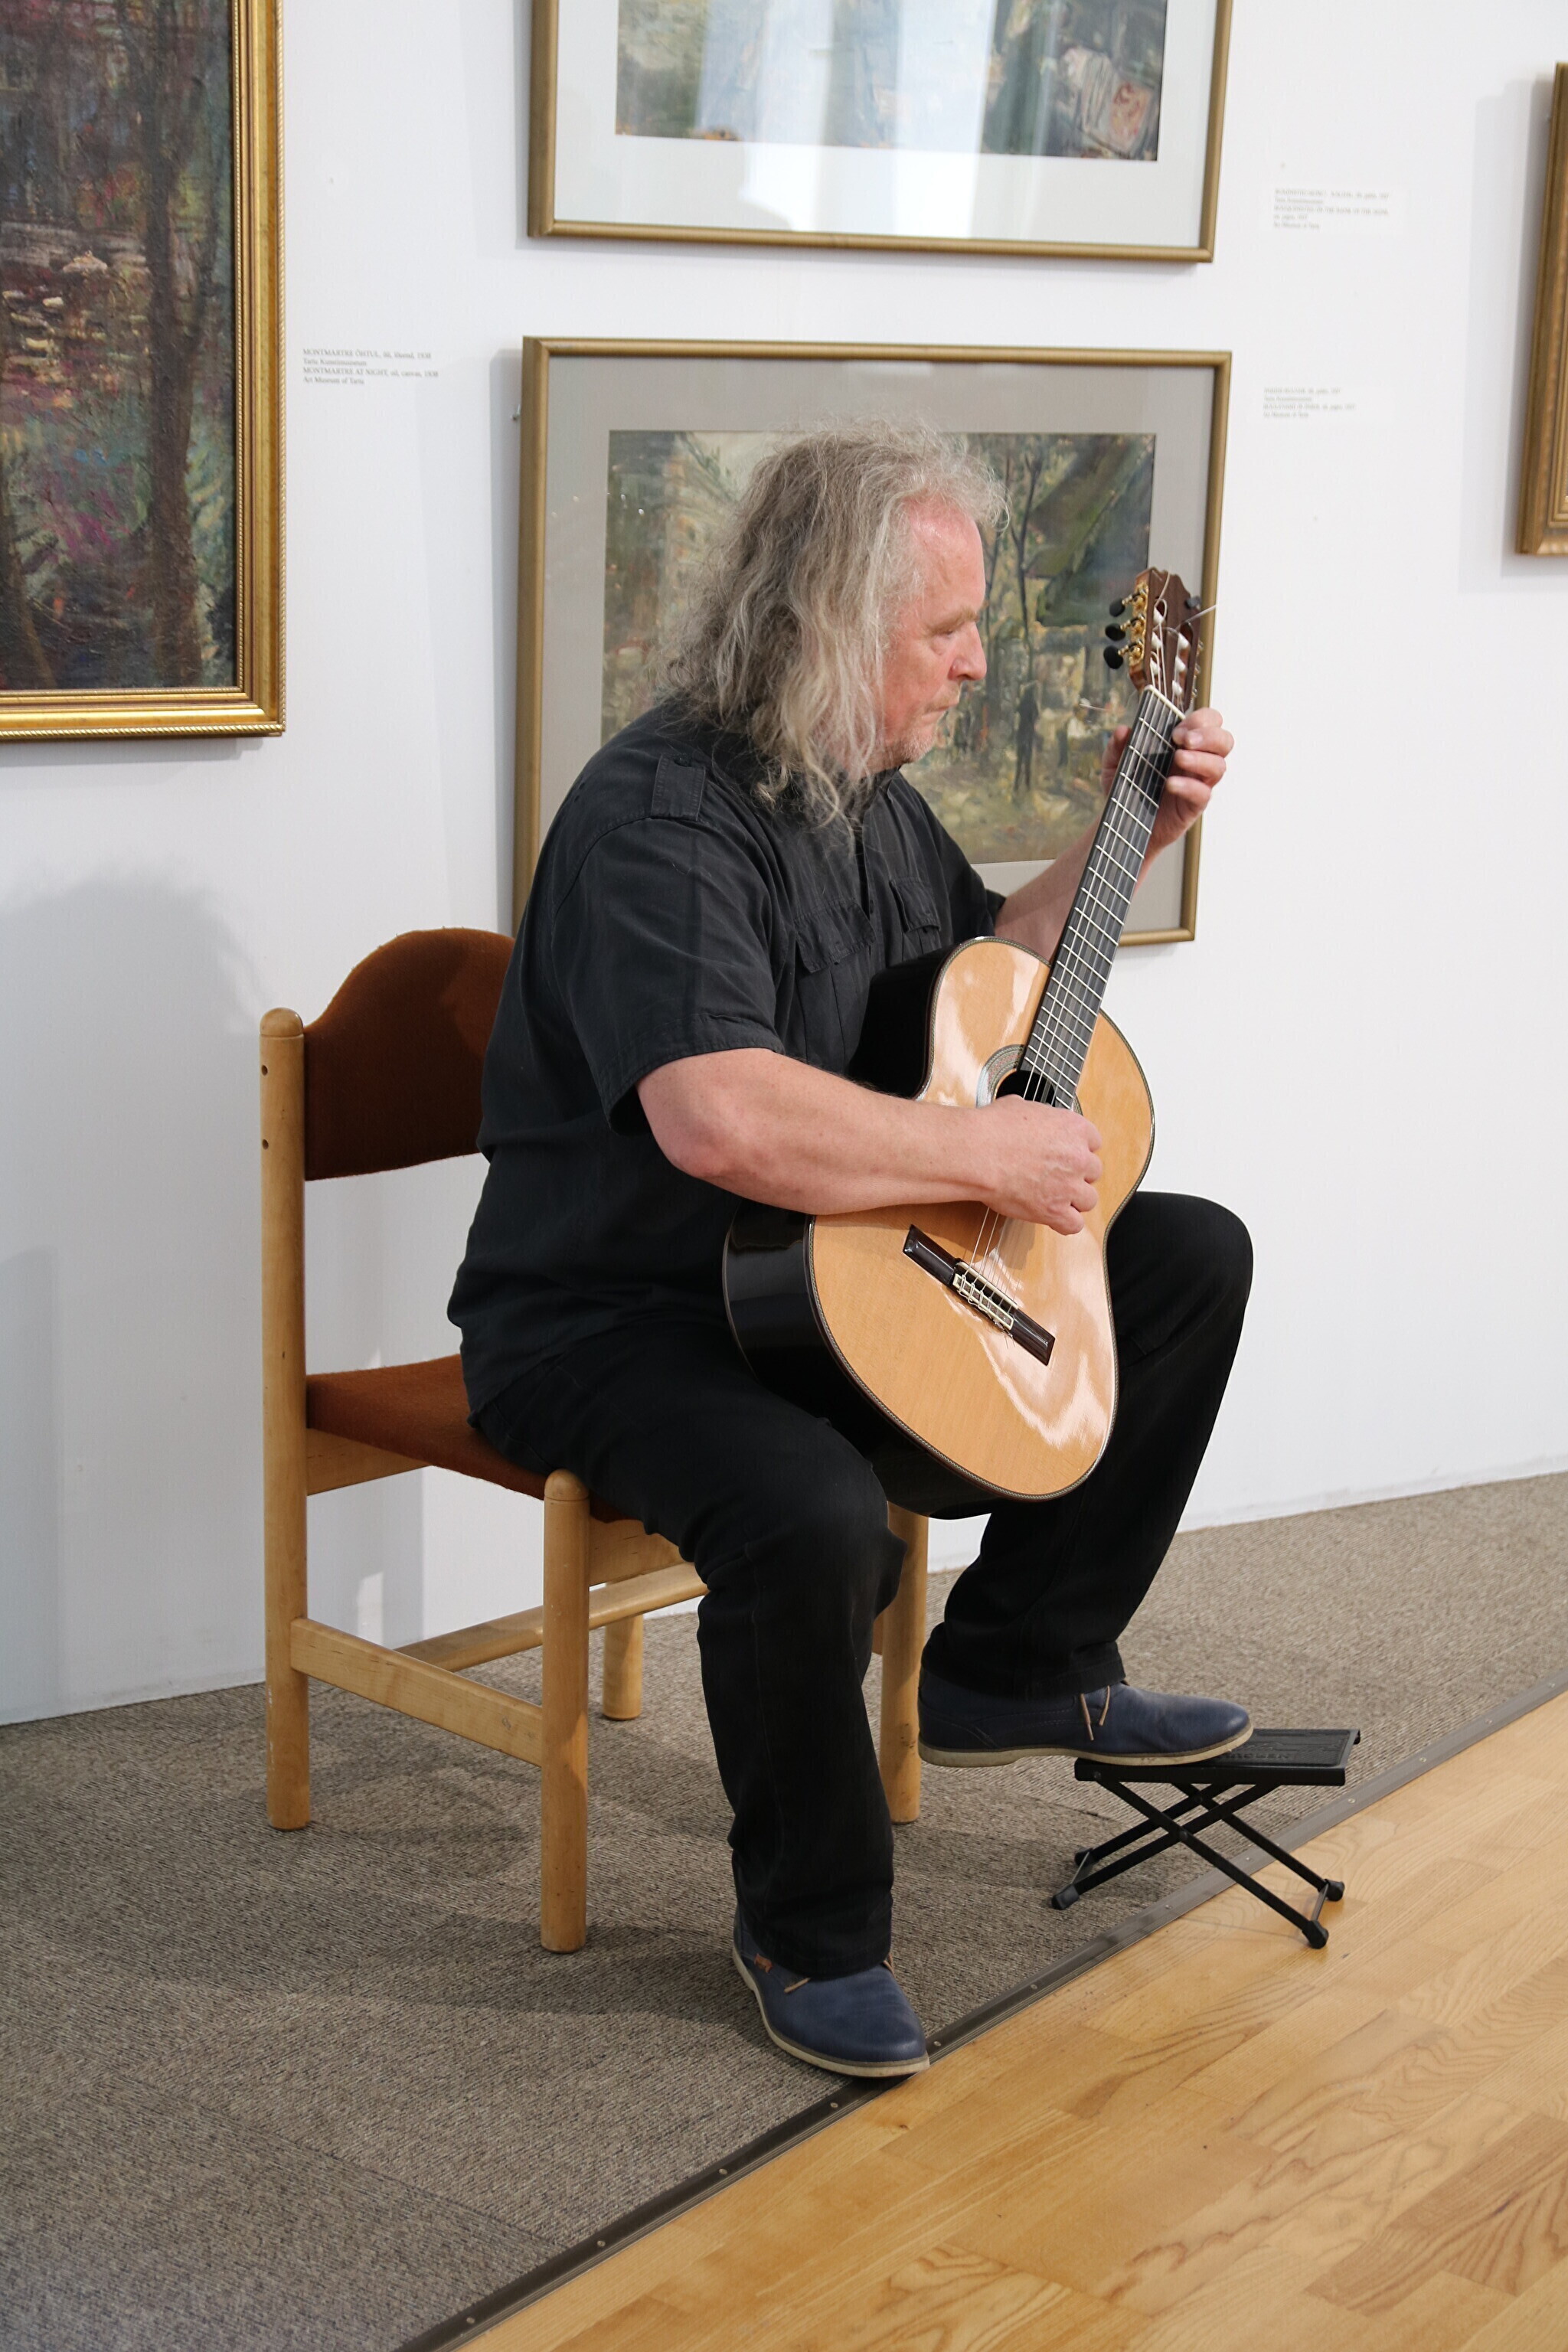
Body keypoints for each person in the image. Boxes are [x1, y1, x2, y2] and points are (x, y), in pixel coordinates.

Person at [450, 423, 1250, 2081]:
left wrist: (1126, 837)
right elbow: (716, 1117)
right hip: (619, 1316)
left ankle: (1014, 1664)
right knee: (811, 1507)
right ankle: (809, 1929)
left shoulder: (866, 799)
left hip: (822, 1278)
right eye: (944, 629)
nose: (976, 662)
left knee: (1184, 1258)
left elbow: (977, 979)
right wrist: (981, 1156)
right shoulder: (659, 818)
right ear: (830, 622)